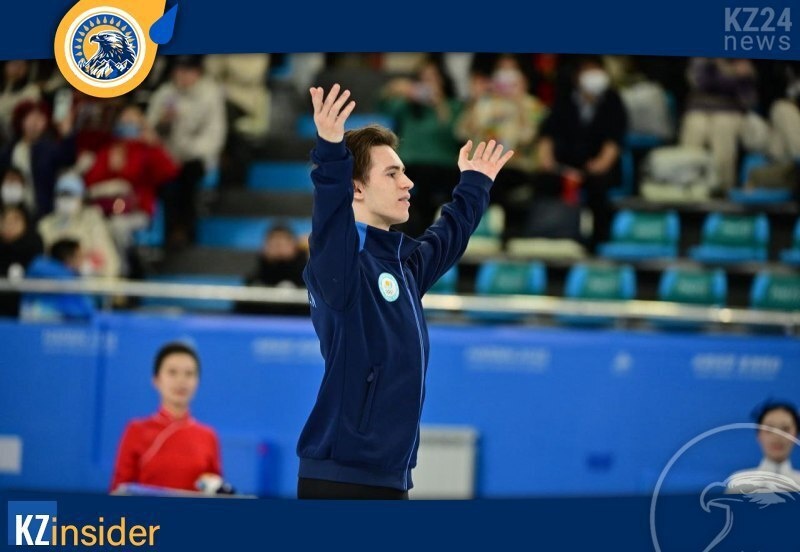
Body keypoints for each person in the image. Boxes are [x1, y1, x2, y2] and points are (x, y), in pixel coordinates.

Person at [296, 84, 514, 499]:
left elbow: (448, 236)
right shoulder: (339, 264)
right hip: (341, 478)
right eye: (392, 174)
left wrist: (474, 184)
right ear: (355, 188)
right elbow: (330, 215)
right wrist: (331, 150)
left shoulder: (402, 264)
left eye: (404, 172)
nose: (408, 183)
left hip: (392, 476)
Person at [533, 57, 627, 251]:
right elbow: (547, 135)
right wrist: (551, 164)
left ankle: (597, 243)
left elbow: (614, 141)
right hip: (564, 166)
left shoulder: (613, 101)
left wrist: (599, 165)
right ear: (577, 76)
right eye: (587, 70)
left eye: (596, 70)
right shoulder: (564, 100)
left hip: (596, 167)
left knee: (597, 187)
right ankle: (543, 235)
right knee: (544, 181)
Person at [110, 342, 224, 493]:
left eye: (189, 374)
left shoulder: (208, 436)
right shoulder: (136, 430)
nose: (181, 381)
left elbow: (216, 492)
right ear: (156, 380)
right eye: (172, 372)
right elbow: (119, 490)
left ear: (197, 382)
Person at [379, 55, 463, 236]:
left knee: (426, 192)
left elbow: (455, 132)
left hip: (442, 167)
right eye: (423, 79)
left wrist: (439, 103)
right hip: (409, 166)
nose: (428, 84)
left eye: (433, 78)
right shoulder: (407, 107)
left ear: (443, 80)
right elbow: (382, 104)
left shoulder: (453, 106)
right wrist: (398, 88)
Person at [37, 172, 120, 278]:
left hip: (91, 281)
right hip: (55, 281)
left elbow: (110, 262)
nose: (66, 199)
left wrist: (92, 269)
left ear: (81, 198)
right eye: (62, 195)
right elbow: (42, 261)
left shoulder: (92, 220)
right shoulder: (45, 224)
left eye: (71, 195)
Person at [235, 223, 309, 316]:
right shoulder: (254, 281)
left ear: (294, 247)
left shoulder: (308, 280)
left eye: (283, 243)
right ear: (265, 248)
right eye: (273, 244)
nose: (278, 248)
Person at [726, 400, 800, 492]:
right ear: (759, 434)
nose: (777, 436)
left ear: (796, 435)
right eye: (769, 429)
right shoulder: (739, 483)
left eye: (785, 429)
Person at [20, 238, 95, 321]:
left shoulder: (40, 269)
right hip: (46, 323)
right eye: (80, 256)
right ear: (68, 258)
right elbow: (85, 310)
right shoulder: (65, 280)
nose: (83, 260)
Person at [0, 205, 43, 316]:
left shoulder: (35, 244)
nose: (9, 225)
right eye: (5, 220)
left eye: (15, 221)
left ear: (25, 223)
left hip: (28, 307)